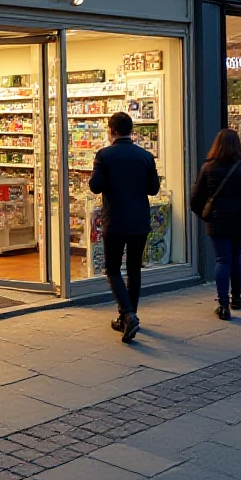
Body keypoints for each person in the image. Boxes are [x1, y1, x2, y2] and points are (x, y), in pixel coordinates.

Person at [89, 111, 160, 343]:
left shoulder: (104, 155)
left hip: (115, 220)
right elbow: (153, 189)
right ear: (131, 131)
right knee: (134, 270)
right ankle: (129, 316)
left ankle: (127, 314)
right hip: (140, 221)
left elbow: (95, 186)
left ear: (112, 131)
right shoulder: (146, 156)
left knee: (112, 268)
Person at [191, 128, 241, 321]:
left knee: (222, 260)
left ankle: (223, 305)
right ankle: (237, 298)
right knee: (235, 258)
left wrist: (205, 215)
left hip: (217, 220)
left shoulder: (208, 167)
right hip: (239, 220)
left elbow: (195, 198)